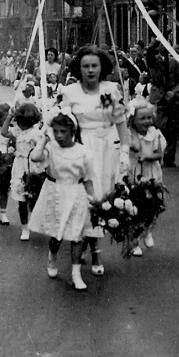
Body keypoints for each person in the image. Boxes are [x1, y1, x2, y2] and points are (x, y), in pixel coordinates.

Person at [59, 45, 129, 274]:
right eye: (86, 66)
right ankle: (92, 251)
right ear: (79, 69)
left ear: (102, 67)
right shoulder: (70, 92)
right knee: (86, 200)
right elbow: (62, 123)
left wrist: (125, 151)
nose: (90, 70)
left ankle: (94, 248)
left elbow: (120, 122)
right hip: (82, 147)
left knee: (102, 200)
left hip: (107, 147)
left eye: (94, 66)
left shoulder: (111, 89)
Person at [28, 109, 96, 291]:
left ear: (72, 132)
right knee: (56, 234)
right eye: (55, 131)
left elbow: (88, 178)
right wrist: (44, 139)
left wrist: (94, 199)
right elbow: (35, 158)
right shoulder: (50, 149)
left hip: (76, 193)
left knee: (77, 235)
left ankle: (76, 273)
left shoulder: (83, 152)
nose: (59, 135)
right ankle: (52, 256)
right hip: (55, 193)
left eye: (63, 131)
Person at [127, 98, 166, 257]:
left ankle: (148, 230)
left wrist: (148, 156)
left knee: (151, 206)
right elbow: (133, 146)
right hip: (135, 173)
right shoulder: (130, 134)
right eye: (142, 118)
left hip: (151, 173)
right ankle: (134, 241)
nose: (147, 121)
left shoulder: (155, 134)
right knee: (135, 207)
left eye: (149, 117)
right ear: (133, 120)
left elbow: (159, 153)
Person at [2, 102, 44, 241]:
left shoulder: (35, 133)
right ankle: (24, 227)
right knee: (21, 199)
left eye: (22, 122)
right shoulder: (17, 131)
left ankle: (37, 222)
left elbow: (42, 150)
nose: (19, 124)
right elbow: (4, 132)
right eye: (18, 121)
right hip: (19, 166)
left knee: (35, 196)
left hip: (32, 166)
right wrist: (9, 117)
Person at [146, 40, 179, 168]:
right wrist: (155, 41)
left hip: (171, 100)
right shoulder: (153, 62)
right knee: (157, 127)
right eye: (158, 49)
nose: (159, 53)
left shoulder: (174, 62)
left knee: (172, 130)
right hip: (158, 100)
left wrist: (174, 92)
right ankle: (154, 155)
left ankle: (169, 159)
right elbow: (150, 56)